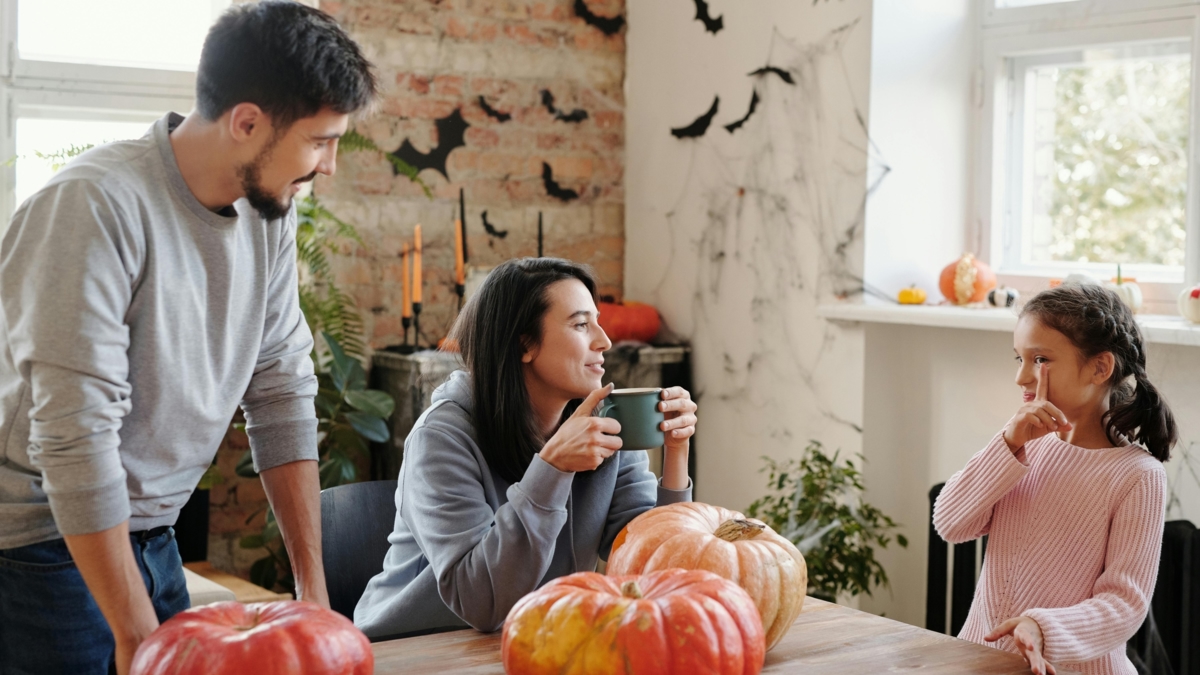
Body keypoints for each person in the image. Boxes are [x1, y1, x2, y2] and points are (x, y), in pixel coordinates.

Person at [0, 3, 376, 674]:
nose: (330, 167)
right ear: (247, 123)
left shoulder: (268, 214)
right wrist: (135, 628)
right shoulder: (93, 207)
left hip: (151, 532)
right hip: (37, 543)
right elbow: (74, 434)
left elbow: (282, 388)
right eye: (320, 141)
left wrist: (312, 593)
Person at [354, 258, 697, 638]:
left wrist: (676, 451)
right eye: (582, 324)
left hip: (536, 637)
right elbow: (480, 602)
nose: (605, 340)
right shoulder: (440, 438)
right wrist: (551, 469)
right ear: (524, 344)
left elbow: (654, 570)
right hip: (420, 646)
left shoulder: (605, 421)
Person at [934, 283, 1173, 675]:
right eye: (1019, 358)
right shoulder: (1023, 445)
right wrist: (1009, 443)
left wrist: (1043, 628)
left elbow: (1123, 604)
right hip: (983, 661)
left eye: (1040, 359)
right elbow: (950, 523)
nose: (1022, 377)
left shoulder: (1137, 476)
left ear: (1100, 367)